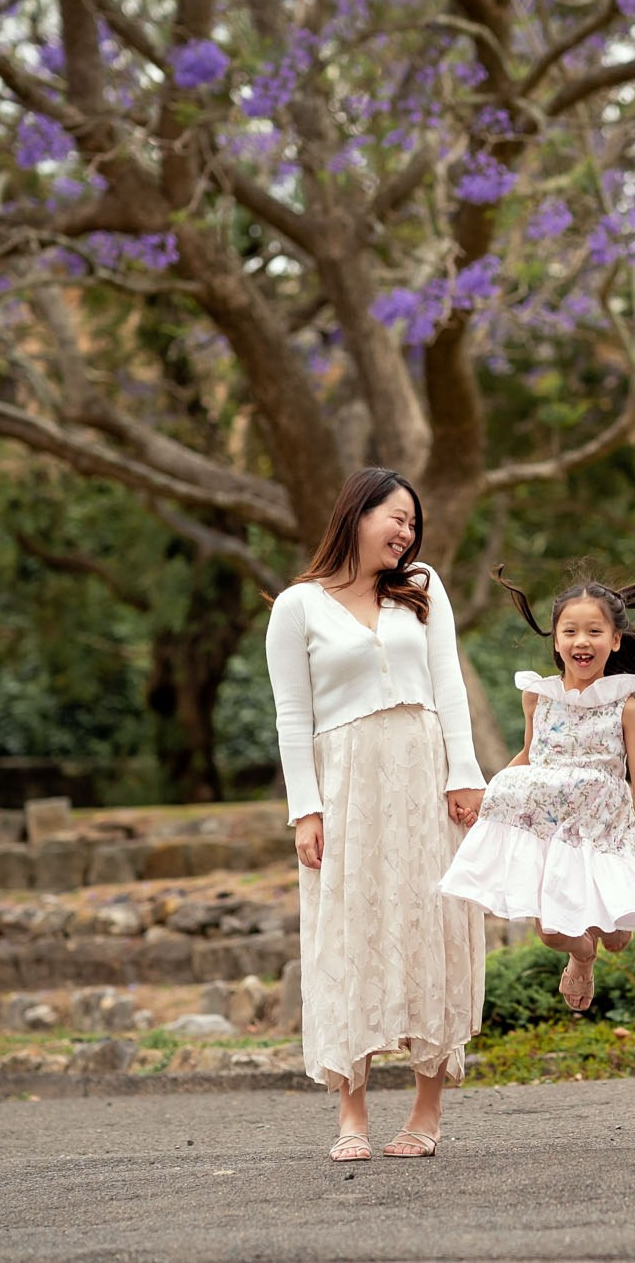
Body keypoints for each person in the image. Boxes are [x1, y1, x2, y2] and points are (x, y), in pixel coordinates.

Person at [265, 467, 487, 1162]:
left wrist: (465, 772)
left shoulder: (422, 586)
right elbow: (291, 714)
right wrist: (306, 809)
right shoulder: (297, 606)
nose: (406, 531)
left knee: (432, 923)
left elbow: (448, 683)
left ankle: (426, 1110)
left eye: (413, 522)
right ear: (355, 514)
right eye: (395, 517)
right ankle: (351, 1113)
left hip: (423, 773)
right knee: (347, 930)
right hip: (347, 784)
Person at [438, 571, 635, 1013]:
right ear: (555, 641)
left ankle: (606, 930)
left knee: (616, 937)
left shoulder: (624, 705)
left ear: (614, 641)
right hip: (550, 831)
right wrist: (489, 798)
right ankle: (581, 954)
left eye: (594, 631)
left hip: (597, 831)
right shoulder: (539, 697)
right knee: (553, 932)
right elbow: (529, 756)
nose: (582, 641)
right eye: (570, 631)